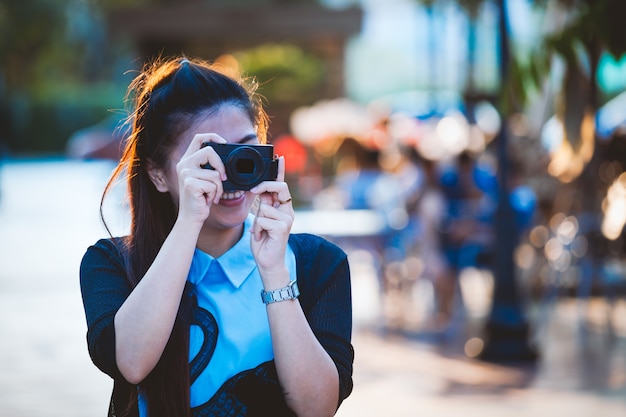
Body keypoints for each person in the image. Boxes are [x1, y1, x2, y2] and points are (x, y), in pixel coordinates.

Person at [79, 57, 354, 417]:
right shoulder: (113, 263)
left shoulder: (318, 263)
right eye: (209, 160)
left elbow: (317, 407)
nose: (229, 175)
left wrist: (273, 271)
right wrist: (190, 220)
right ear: (159, 175)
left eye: (243, 151)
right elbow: (131, 363)